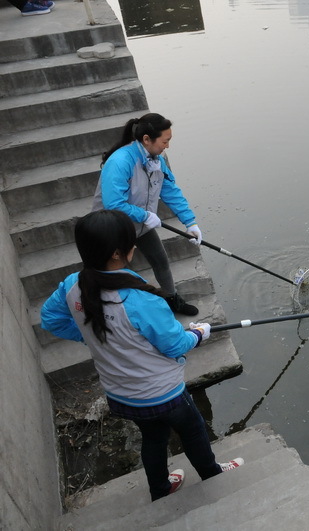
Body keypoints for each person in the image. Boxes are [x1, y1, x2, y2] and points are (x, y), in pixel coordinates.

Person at [41, 209, 243, 501]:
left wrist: (96, 339)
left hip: (121, 394)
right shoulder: (141, 300)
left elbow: (51, 320)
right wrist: (199, 333)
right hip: (163, 393)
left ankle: (161, 489)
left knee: (154, 437)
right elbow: (175, 345)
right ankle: (212, 475)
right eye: (130, 242)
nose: (134, 246)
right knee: (194, 430)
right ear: (116, 254)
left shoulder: (72, 285)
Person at [93, 112, 202, 316]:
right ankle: (116, 314)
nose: (167, 146)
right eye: (165, 141)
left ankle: (171, 299)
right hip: (113, 228)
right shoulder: (121, 162)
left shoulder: (156, 160)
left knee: (160, 259)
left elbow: (171, 191)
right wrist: (145, 215)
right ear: (146, 139)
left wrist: (190, 222)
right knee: (116, 272)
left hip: (140, 224)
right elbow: (113, 203)